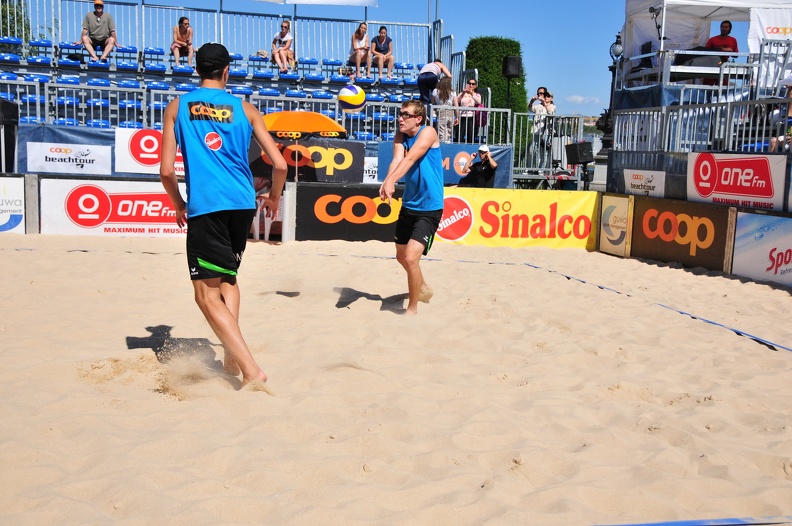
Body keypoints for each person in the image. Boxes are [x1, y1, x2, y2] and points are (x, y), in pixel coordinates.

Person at [159, 43, 287, 388]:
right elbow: (280, 164)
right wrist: (273, 198)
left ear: (196, 69)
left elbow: (167, 172)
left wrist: (178, 204)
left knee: (205, 294)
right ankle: (231, 357)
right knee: (227, 280)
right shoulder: (246, 109)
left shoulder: (177, 106)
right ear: (226, 71)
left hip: (208, 203)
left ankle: (251, 370)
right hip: (242, 203)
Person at [379, 100, 444, 315]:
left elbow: (410, 159)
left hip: (429, 207)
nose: (400, 118)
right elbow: (397, 160)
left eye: (406, 115)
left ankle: (412, 309)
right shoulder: (400, 136)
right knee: (400, 256)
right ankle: (422, 286)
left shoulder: (429, 132)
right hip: (409, 204)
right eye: (400, 114)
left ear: (418, 118)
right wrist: (387, 180)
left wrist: (391, 182)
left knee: (410, 257)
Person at [431, 76, 458, 143]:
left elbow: (432, 101)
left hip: (441, 113)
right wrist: (457, 117)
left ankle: (443, 146)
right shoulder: (453, 92)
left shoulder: (436, 91)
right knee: (449, 132)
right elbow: (456, 105)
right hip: (451, 114)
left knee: (442, 132)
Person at [455, 77, 482, 142]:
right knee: (460, 135)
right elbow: (456, 101)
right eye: (469, 83)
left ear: (475, 86)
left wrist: (472, 93)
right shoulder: (462, 93)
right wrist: (463, 93)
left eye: (473, 84)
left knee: (471, 134)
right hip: (462, 116)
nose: (471, 85)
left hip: (471, 117)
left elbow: (478, 102)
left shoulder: (477, 95)